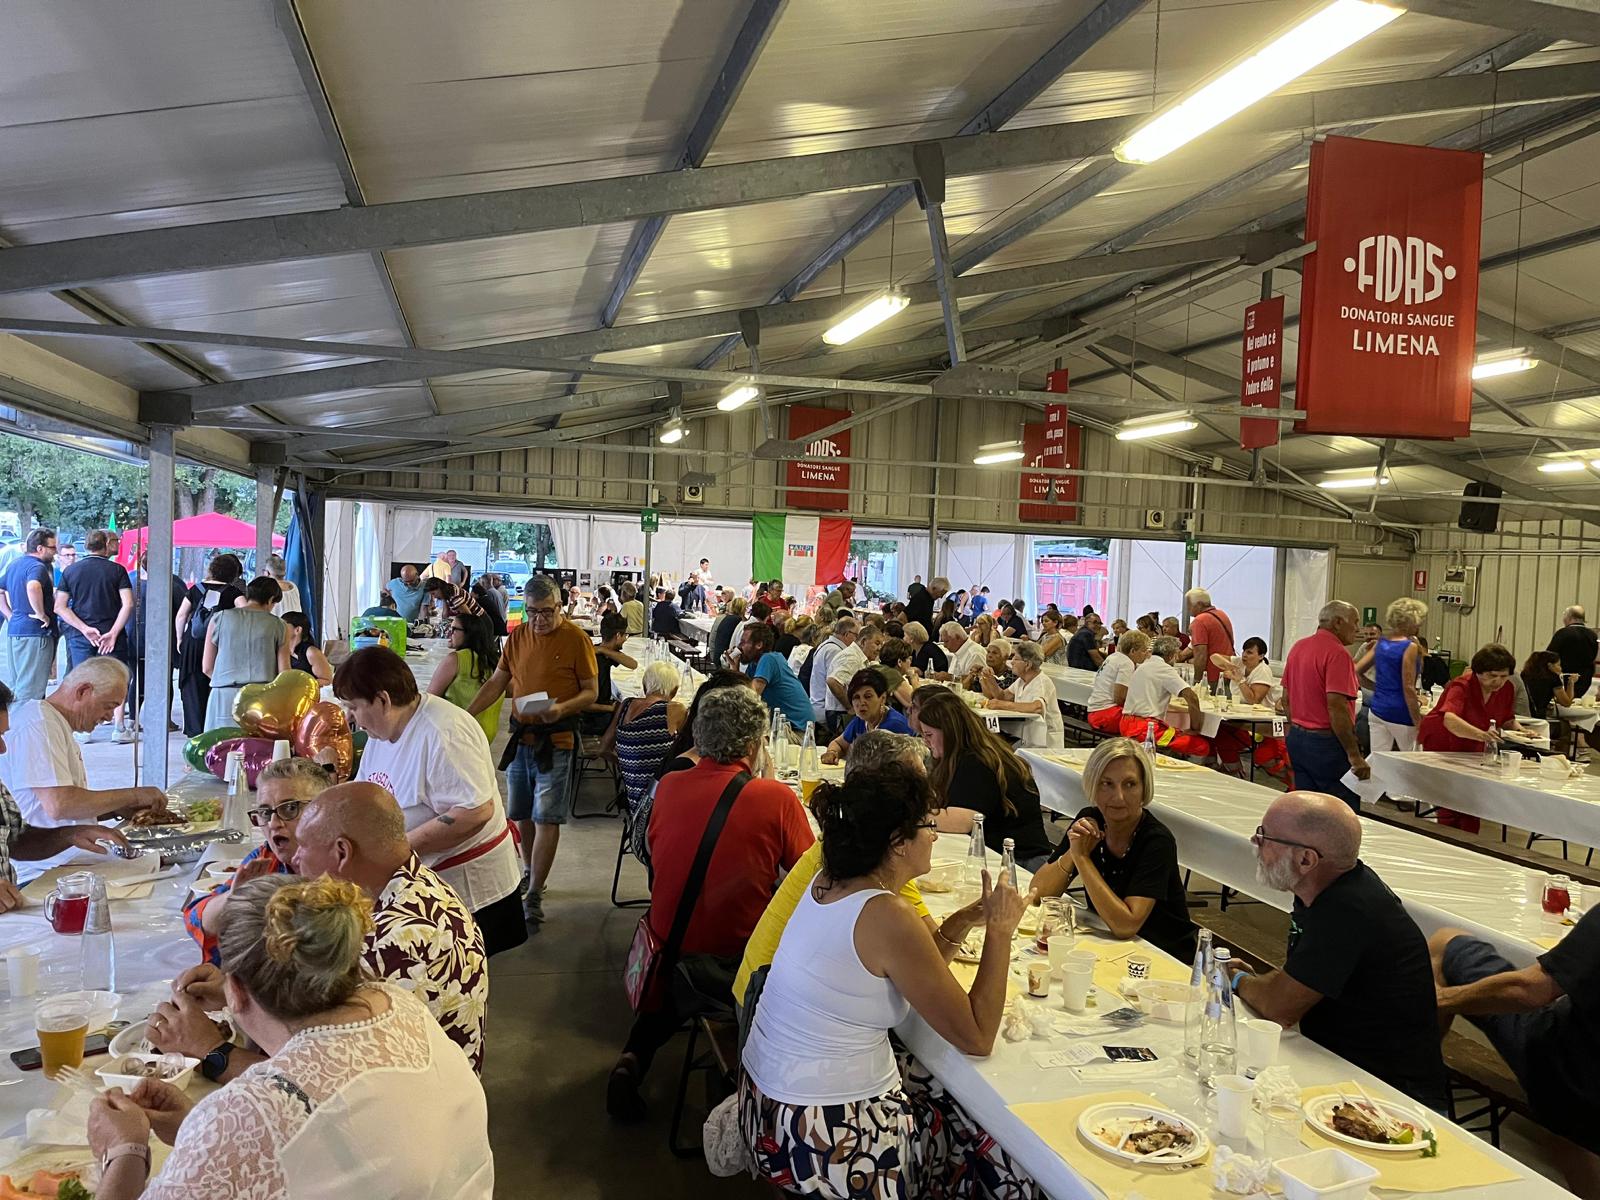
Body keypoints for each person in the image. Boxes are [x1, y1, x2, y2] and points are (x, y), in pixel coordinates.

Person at [739, 764, 1037, 1198]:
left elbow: (917, 968)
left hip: (767, 1106)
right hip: (822, 1137)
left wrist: (965, 919)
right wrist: (1000, 932)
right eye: (928, 826)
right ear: (898, 841)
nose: (935, 836)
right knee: (1001, 1150)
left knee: (945, 1084)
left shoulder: (831, 879)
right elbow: (977, 1036)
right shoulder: (886, 913)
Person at [99, 875, 493, 1199]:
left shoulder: (247, 1112)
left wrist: (124, 1151)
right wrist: (196, 1130)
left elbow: (292, 1115)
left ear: (234, 990)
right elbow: (349, 1137)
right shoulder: (395, 1003)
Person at [607, 686, 813, 1120]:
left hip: (669, 946)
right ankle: (749, 1083)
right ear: (755, 744)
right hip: (733, 960)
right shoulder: (775, 798)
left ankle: (632, 1059)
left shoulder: (669, 786)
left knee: (670, 992)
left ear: (699, 737)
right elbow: (810, 880)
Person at [1235, 792, 1447, 1111]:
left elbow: (1280, 1008)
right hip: (1344, 1067)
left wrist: (1237, 979)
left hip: (1387, 1099)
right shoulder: (1328, 888)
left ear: (1306, 860)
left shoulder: (1347, 910)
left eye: (1264, 836)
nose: (1255, 842)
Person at [733, 731, 947, 1011]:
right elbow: (934, 961)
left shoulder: (844, 841)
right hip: (766, 1003)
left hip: (756, 990)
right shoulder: (876, 857)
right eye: (915, 782)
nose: (925, 793)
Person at [289, 782, 489, 1071]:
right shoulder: (419, 883)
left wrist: (223, 1052)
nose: (295, 859)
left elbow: (328, 1066)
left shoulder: (389, 941)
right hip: (444, 1078)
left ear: (342, 852)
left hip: (422, 1092)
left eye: (303, 846)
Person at [337, 647, 525, 954]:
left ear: (383, 700)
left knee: (460, 970)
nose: (349, 718)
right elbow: (366, 790)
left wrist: (396, 850)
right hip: (422, 881)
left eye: (353, 707)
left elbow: (475, 812)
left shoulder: (444, 732)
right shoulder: (381, 732)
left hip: (470, 891)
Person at [1430, 910, 1600, 1186]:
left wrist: (1441, 999)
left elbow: (1529, 991)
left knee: (1446, 941)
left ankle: (1414, 1095)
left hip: (1571, 1077)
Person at [465, 576, 595, 927]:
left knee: (546, 815)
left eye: (546, 612)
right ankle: (528, 870)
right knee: (521, 811)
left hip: (558, 739)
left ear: (560, 607)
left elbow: (590, 691)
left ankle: (535, 891)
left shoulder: (576, 640)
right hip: (522, 736)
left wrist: (562, 708)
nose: (539, 619)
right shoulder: (518, 637)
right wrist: (467, 714)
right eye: (532, 612)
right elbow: (497, 681)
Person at [1027, 738, 1197, 961]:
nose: (1118, 797)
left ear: (1144, 789)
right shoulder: (1090, 820)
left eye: (1130, 784)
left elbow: (1126, 926)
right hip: (1112, 946)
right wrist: (1072, 853)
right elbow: (1038, 894)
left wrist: (1082, 858)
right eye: (1106, 784)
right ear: (1092, 786)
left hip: (1165, 956)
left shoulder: (1156, 841)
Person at [0, 658, 165, 880]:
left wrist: (115, 809)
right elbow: (60, 805)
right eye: (108, 706)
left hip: (66, 860)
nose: (109, 717)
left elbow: (43, 816)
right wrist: (133, 796)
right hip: (46, 870)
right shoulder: (38, 723)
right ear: (82, 691)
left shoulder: (51, 722)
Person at [0, 679, 131, 913]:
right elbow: (59, 804)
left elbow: (16, 840)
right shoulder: (37, 722)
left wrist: (70, 834)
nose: (3, 748)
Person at [182, 757, 327, 963]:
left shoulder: (346, 862)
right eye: (265, 813)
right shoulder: (266, 860)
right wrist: (235, 898)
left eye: (290, 808)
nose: (274, 823)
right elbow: (196, 919)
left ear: (324, 810)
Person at [919, 688, 1051, 868]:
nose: (925, 741)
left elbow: (960, 821)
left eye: (929, 735)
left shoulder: (976, 763)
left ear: (949, 732)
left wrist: (911, 815)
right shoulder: (975, 753)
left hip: (1021, 861)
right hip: (1008, 852)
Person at [1417, 643, 1526, 832]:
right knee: (1450, 796)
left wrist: (1522, 731)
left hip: (1475, 741)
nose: (1498, 681)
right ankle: (1448, 834)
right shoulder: (1461, 685)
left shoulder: (1507, 688)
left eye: (1503, 676)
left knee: (1472, 794)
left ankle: (1468, 835)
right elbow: (1450, 719)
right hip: (1444, 741)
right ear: (1478, 672)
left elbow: (1507, 719)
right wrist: (1482, 734)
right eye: (1492, 675)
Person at [1279, 600, 1368, 810]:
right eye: (1355, 622)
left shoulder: (1299, 647)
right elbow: (1336, 706)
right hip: (1326, 744)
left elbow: (1285, 698)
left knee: (1307, 806)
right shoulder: (1338, 654)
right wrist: (1354, 755)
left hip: (1298, 739)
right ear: (1338, 623)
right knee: (1339, 809)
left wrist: (1297, 728)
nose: (1358, 629)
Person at [53, 529, 135, 742]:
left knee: (83, 682)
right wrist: (114, 632)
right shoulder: (117, 570)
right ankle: (119, 727)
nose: (117, 544)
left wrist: (84, 628)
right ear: (106, 544)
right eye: (115, 541)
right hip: (111, 635)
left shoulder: (71, 571)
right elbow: (128, 604)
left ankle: (83, 729)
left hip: (82, 637)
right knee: (118, 679)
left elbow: (60, 607)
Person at [201, 576, 290, 731]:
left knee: (221, 744)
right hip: (262, 697)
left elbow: (207, 667)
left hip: (223, 695)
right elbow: (284, 673)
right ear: (270, 600)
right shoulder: (279, 625)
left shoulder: (219, 618)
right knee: (256, 745)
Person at [613, 659, 688, 836]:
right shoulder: (675, 709)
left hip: (633, 801)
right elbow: (691, 748)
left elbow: (603, 748)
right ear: (674, 690)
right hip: (659, 801)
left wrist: (630, 763)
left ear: (645, 685)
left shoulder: (626, 705)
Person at [175, 553, 245, 737]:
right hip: (219, 645)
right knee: (215, 685)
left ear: (212, 569)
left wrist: (180, 639)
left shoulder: (195, 589)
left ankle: (195, 734)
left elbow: (181, 616)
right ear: (233, 574)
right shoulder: (233, 593)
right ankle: (213, 731)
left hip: (193, 643)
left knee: (192, 688)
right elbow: (245, 613)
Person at [1117, 635, 1208, 757]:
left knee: (1176, 733)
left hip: (1126, 723)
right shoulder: (1164, 669)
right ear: (1171, 655)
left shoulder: (1142, 666)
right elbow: (1192, 698)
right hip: (1144, 728)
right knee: (1201, 745)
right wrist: (1194, 729)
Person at [1355, 597, 1427, 753]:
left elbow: (1357, 670)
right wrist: (1418, 721)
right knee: (1412, 758)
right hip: (1400, 711)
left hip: (1377, 709)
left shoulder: (1380, 644)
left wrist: (1377, 687)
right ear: (1411, 622)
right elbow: (1408, 687)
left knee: (1378, 758)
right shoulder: (1410, 647)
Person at [0, 528, 58, 701]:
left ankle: (14, 718)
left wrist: (9, 614)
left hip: (16, 630)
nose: (55, 551)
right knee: (30, 692)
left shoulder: (15, 564)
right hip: (35, 633)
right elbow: (33, 586)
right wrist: (40, 613)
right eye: (52, 547)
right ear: (40, 548)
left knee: (19, 686)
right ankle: (21, 719)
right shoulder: (37, 567)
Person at [428, 612, 502, 741]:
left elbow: (429, 699)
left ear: (469, 633)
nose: (448, 633)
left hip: (458, 734)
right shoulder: (495, 661)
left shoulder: (455, 659)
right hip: (486, 737)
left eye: (454, 629)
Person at [980, 639, 1062, 749]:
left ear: (1027, 664)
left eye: (1016, 659)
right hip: (1026, 735)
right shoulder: (1021, 680)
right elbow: (1002, 696)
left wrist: (1002, 705)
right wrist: (990, 679)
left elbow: (1036, 707)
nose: (1012, 662)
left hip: (1044, 741)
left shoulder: (1042, 682)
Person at [821, 668, 912, 764]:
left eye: (868, 696)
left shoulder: (895, 725)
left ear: (883, 698)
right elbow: (838, 744)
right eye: (856, 697)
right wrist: (832, 753)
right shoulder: (860, 720)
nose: (861, 702)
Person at [737, 619, 813, 732]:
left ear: (759, 645)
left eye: (744, 642)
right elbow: (740, 692)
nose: (739, 646)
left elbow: (750, 696)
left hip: (797, 730)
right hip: (783, 725)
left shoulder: (769, 659)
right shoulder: (754, 664)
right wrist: (734, 667)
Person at [1086, 629, 1149, 735]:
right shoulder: (1126, 663)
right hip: (1106, 715)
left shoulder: (1113, 657)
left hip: (1094, 712)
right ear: (1133, 651)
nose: (1146, 654)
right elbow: (1119, 698)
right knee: (1148, 722)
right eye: (1143, 651)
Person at [586, 611, 635, 734]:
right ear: (618, 635)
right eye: (625, 635)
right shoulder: (597, 660)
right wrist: (611, 708)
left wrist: (604, 650)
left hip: (599, 711)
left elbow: (633, 664)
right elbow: (585, 705)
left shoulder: (603, 652)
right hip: (591, 719)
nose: (625, 639)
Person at [1184, 587, 1235, 687]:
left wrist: (1197, 681)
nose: (1188, 609)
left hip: (1211, 677)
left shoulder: (1199, 621)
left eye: (1189, 605)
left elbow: (1200, 655)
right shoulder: (1222, 614)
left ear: (1199, 604)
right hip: (1227, 673)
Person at [1549, 604, 1599, 702]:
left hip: (1564, 679)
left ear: (1570, 617)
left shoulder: (1563, 633)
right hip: (1584, 679)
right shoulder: (1592, 635)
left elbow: (1549, 655)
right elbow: (1594, 656)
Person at [1520, 649, 1574, 721]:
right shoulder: (1553, 678)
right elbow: (1566, 703)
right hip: (1538, 717)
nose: (1561, 668)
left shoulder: (1525, 675)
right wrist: (1571, 683)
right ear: (1550, 665)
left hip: (1522, 715)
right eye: (1558, 665)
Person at [282, 612, 332, 687]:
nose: (279, 629)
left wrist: (300, 685)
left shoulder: (311, 652)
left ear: (297, 630)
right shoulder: (281, 650)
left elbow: (327, 680)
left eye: (283, 625)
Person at [875, 635, 918, 709]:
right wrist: (914, 681)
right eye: (909, 659)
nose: (911, 662)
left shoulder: (877, 667)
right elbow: (914, 703)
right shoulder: (892, 674)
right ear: (899, 662)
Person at [709, 596, 744, 668]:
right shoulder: (737, 620)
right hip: (724, 658)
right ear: (742, 608)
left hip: (716, 654)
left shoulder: (726, 617)